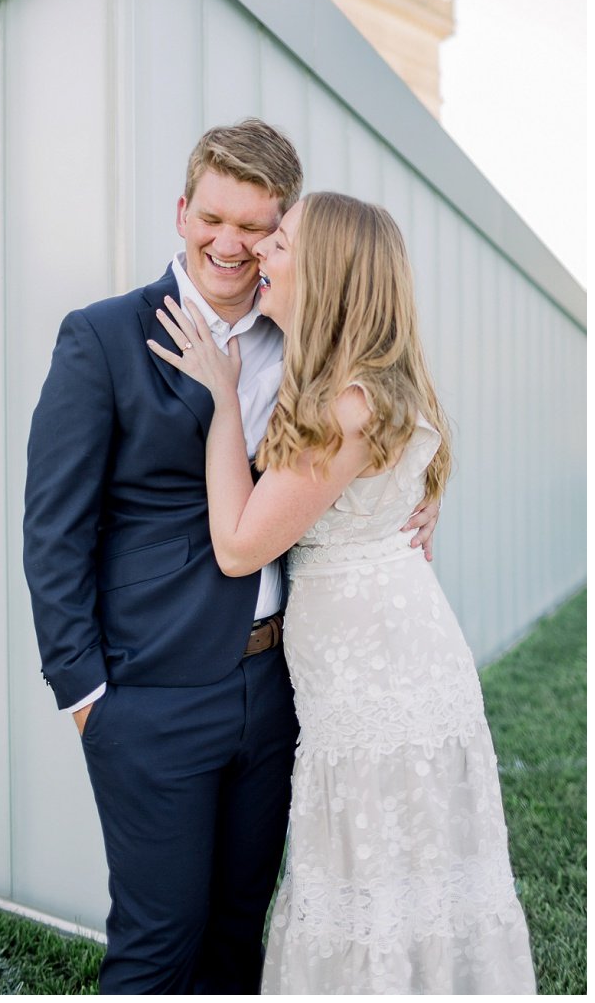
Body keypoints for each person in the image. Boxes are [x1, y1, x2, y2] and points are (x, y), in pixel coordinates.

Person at [21, 119, 438, 993]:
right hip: (151, 698)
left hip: (282, 690)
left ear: (284, 231)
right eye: (213, 218)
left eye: (255, 228)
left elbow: (382, 414)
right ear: (182, 211)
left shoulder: (308, 343)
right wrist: (88, 696)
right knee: (158, 944)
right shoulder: (100, 338)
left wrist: (422, 494)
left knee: (240, 935)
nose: (230, 244)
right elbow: (54, 532)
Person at [149, 192, 535, 993]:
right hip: (392, 661)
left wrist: (222, 397)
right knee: (402, 882)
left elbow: (238, 546)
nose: (261, 254)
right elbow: (399, 490)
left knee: (381, 887)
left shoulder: (344, 402)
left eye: (280, 244)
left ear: (323, 275)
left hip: (378, 685)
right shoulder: (369, 386)